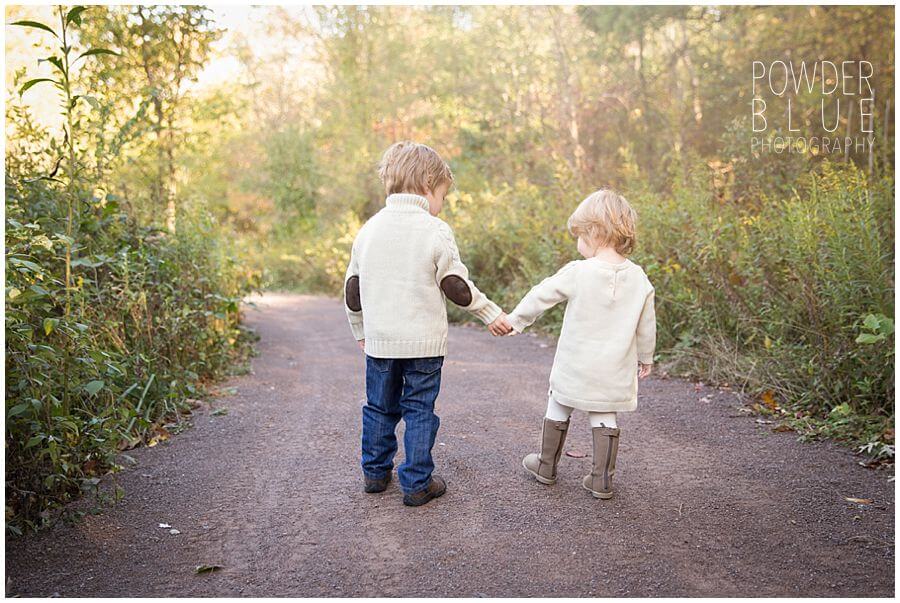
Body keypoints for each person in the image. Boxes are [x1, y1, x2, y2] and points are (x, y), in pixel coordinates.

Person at [344, 141, 512, 507]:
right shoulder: (435, 230)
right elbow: (457, 286)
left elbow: (352, 290)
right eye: (442, 195)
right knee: (419, 409)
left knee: (378, 407)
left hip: (381, 343)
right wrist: (491, 314)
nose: (442, 203)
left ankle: (374, 474)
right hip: (423, 345)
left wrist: (361, 331)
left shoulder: (368, 231)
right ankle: (417, 483)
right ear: (426, 187)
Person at [507, 188, 656, 499]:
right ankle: (601, 479)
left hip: (575, 363)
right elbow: (646, 325)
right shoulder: (639, 278)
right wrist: (646, 357)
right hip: (613, 367)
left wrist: (516, 320)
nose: (577, 243)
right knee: (604, 412)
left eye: (579, 235)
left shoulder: (579, 271)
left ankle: (546, 465)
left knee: (559, 401)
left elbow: (541, 294)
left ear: (595, 233)